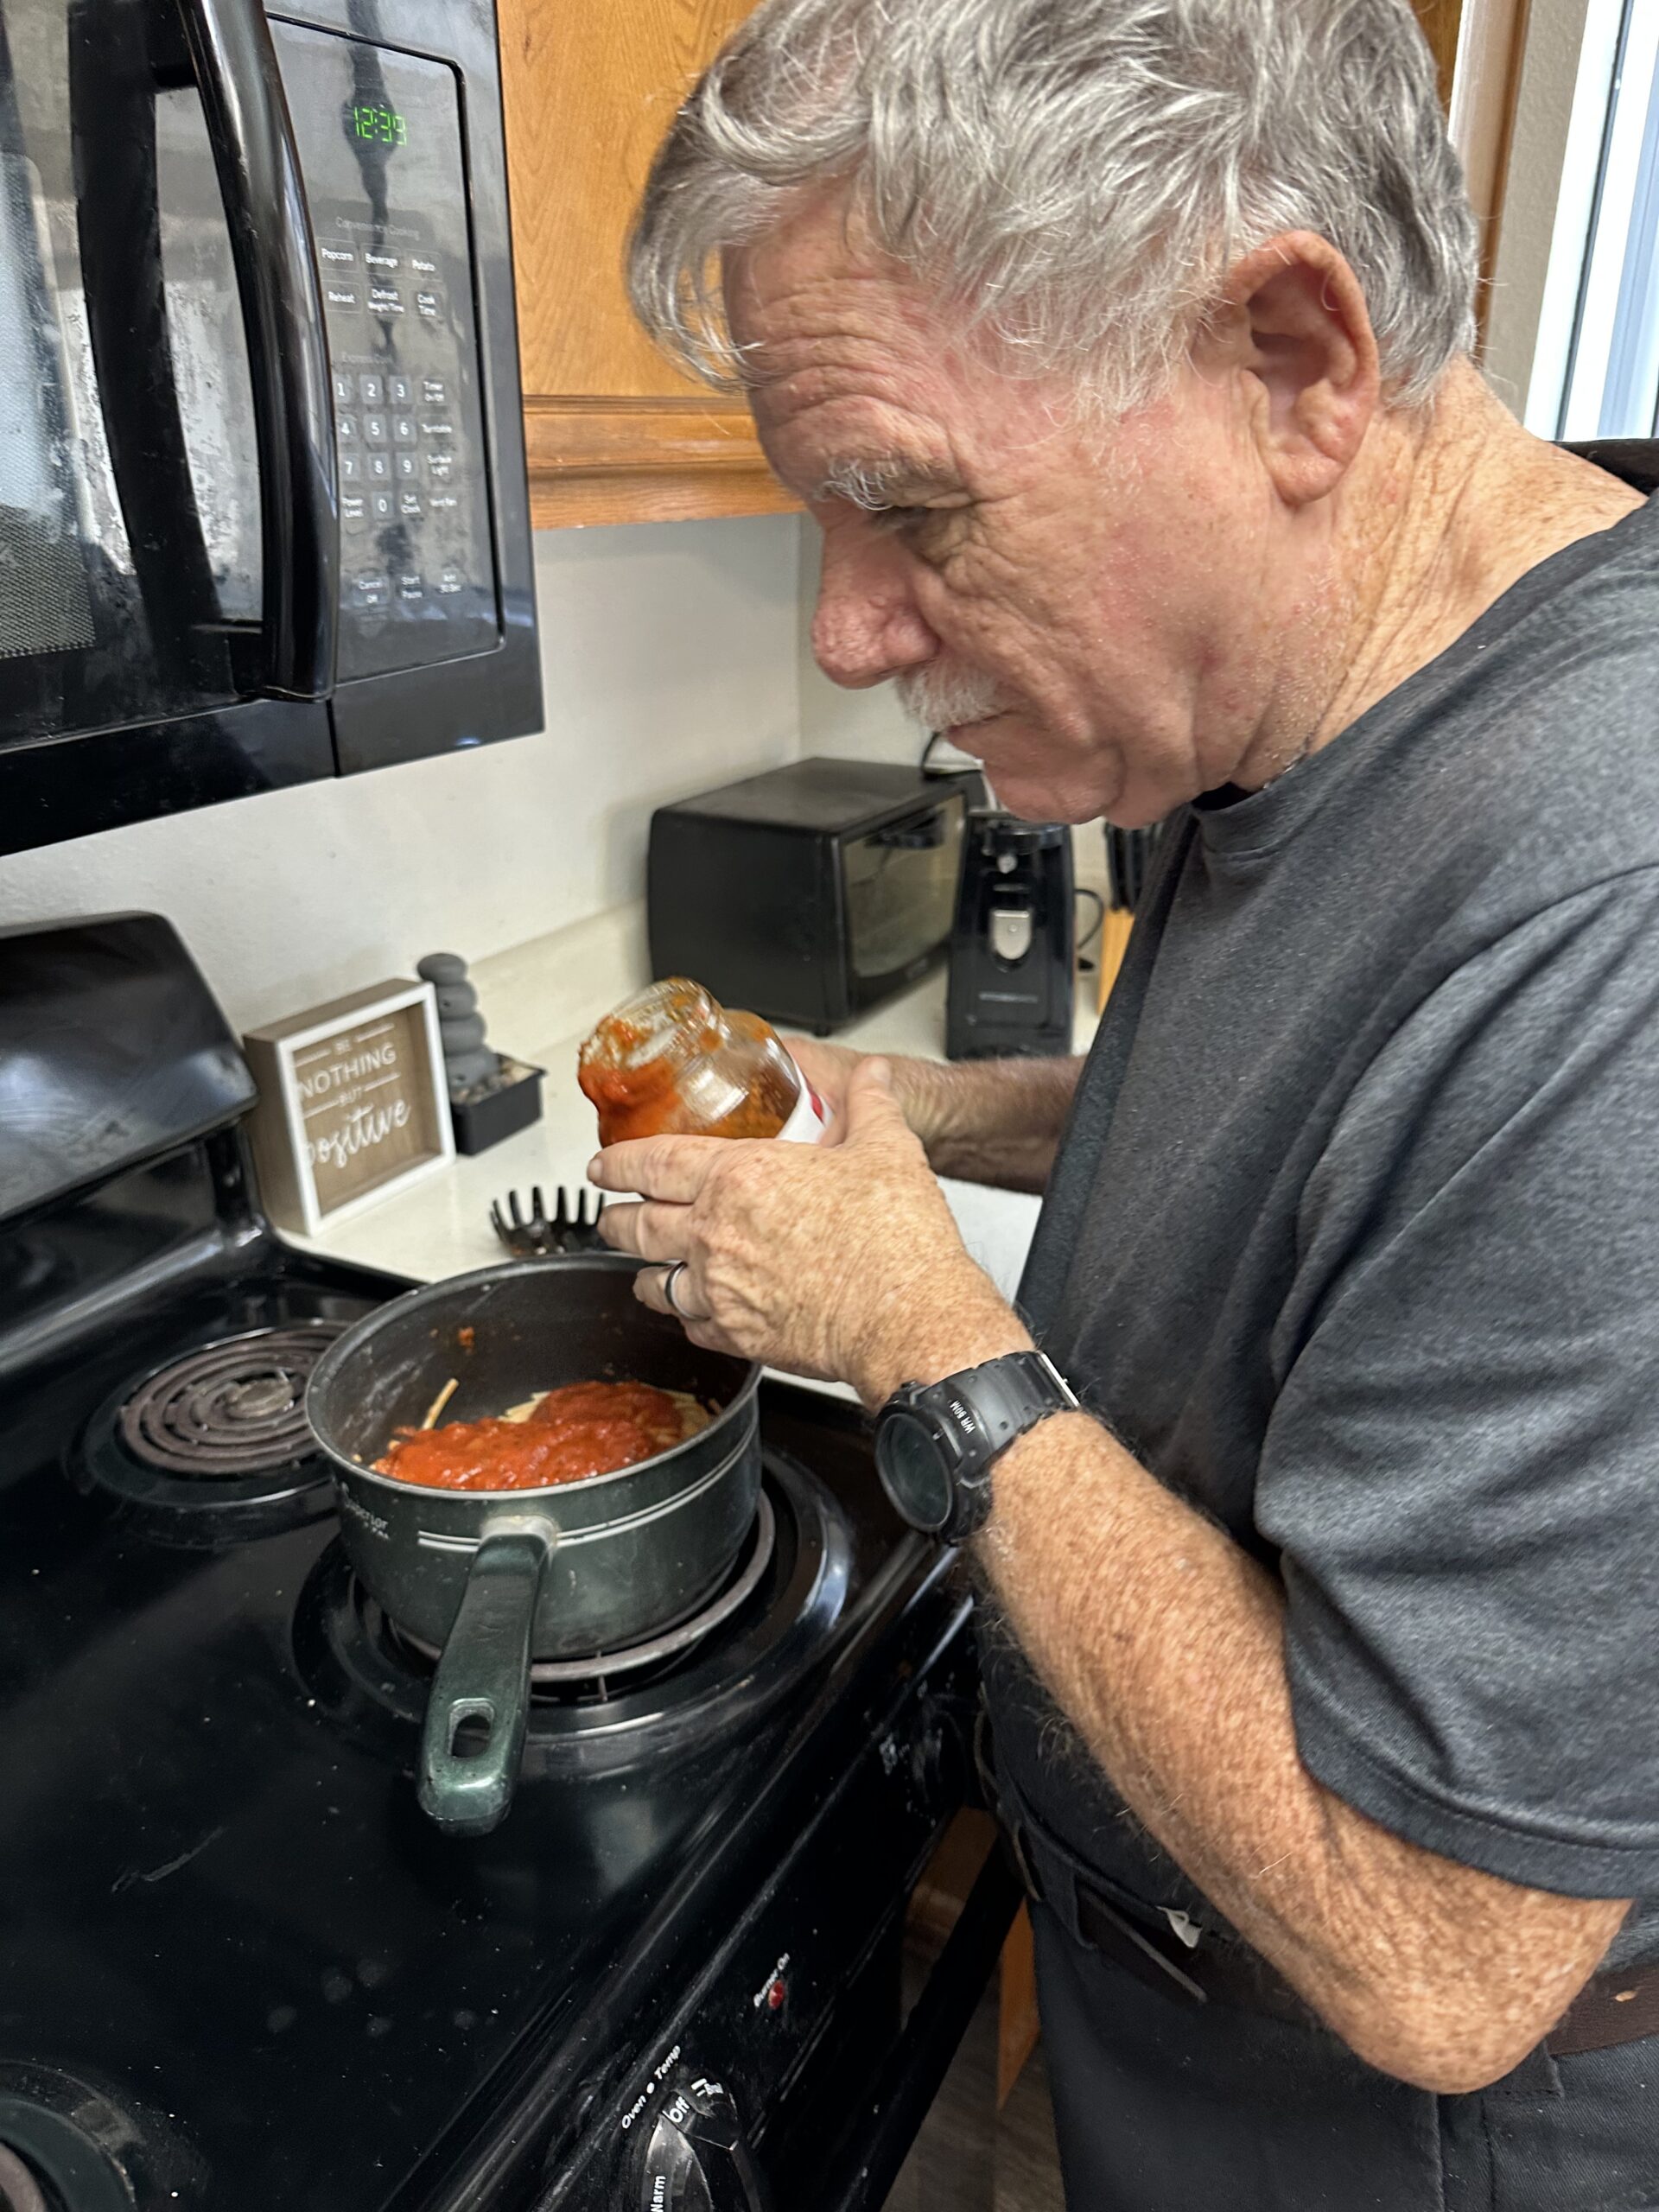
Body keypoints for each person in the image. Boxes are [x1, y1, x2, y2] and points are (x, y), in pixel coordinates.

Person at [588, 1, 1659, 2202]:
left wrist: (916, 1327)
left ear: (1288, 359)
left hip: (1403, 2122)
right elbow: (1331, 1122)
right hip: (1169, 1988)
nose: (851, 630)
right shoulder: (1296, 703)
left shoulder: (1611, 896)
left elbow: (1443, 1945)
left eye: (907, 506)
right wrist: (930, 1104)